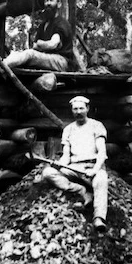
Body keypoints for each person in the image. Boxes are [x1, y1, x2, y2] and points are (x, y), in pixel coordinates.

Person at [41, 96, 109, 233]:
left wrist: (95, 169)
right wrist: (59, 164)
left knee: (101, 179)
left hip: (92, 167)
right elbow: (66, 155)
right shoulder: (68, 129)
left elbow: (102, 152)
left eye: (81, 108)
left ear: (87, 109)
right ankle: (81, 191)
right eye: (75, 109)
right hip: (74, 168)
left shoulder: (97, 126)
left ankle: (99, 218)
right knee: (47, 173)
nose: (78, 112)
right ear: (72, 110)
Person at [3, 0, 73, 72]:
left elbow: (52, 44)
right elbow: (35, 46)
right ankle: (2, 67)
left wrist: (40, 43)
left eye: (51, 1)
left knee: (30, 54)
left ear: (59, 4)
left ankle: (0, 66)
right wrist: (39, 46)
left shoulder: (61, 23)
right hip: (48, 58)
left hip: (61, 61)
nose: (48, 4)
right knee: (17, 54)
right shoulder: (43, 25)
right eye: (46, 1)